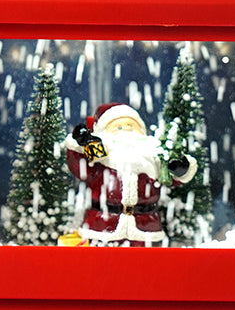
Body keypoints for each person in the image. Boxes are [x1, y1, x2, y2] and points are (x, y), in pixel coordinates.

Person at [65, 103, 198, 246]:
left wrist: (181, 170)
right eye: (119, 127)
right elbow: (78, 166)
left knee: (143, 264)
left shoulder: (153, 157)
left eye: (131, 126)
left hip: (145, 226)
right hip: (103, 225)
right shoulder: (99, 160)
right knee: (104, 263)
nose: (126, 130)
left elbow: (172, 178)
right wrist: (79, 142)